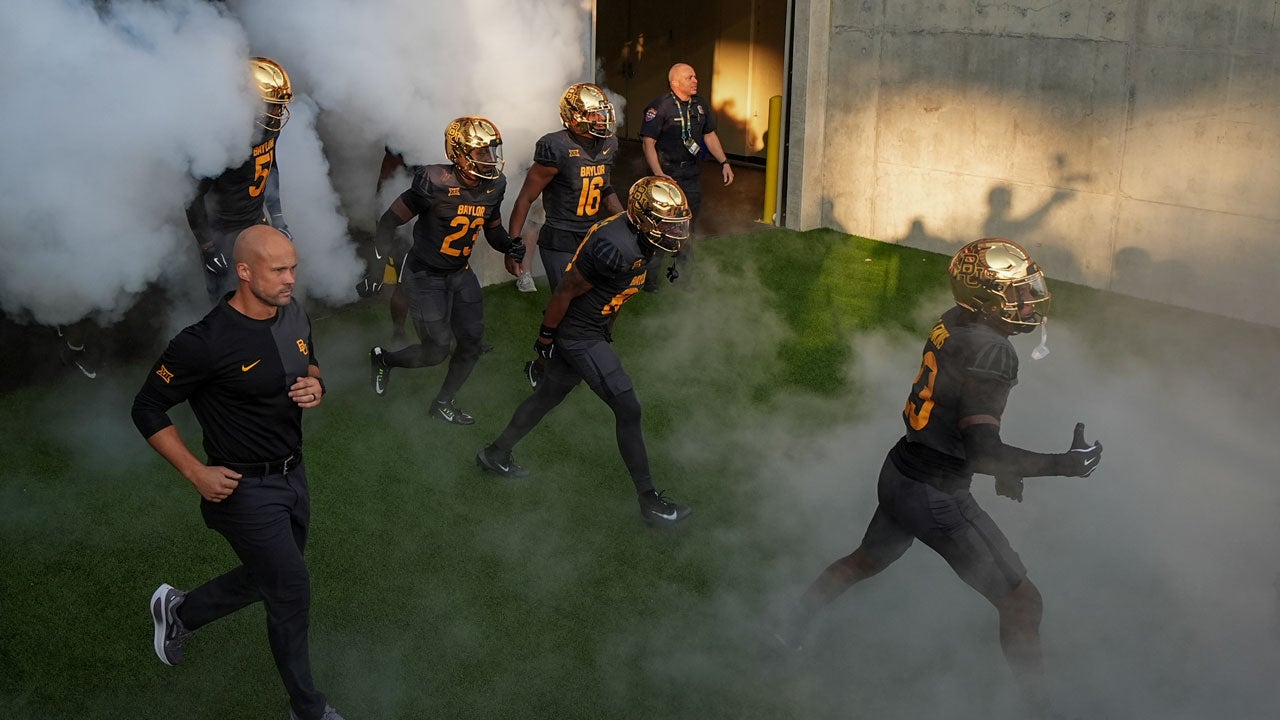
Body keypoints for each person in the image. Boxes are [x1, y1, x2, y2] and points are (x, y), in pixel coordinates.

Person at [772, 238, 1103, 711]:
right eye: (1017, 293)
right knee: (1023, 602)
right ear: (987, 299)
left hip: (902, 470)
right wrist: (1063, 465)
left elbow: (957, 415)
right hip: (936, 493)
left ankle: (787, 629)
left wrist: (1003, 470)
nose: (1029, 301)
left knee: (863, 560)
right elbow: (985, 451)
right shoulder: (994, 352)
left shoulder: (954, 318)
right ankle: (1043, 708)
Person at [131, 226, 346, 720]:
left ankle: (178, 612)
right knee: (290, 591)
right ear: (244, 272)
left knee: (266, 578)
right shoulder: (202, 343)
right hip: (243, 490)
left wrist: (317, 385)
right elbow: (147, 408)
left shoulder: (292, 311)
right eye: (279, 270)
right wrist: (195, 473)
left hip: (294, 473)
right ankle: (308, 710)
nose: (291, 279)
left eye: (294, 267)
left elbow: (308, 363)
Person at [475, 176, 694, 527]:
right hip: (578, 334)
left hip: (593, 330)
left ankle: (494, 453)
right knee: (628, 406)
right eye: (668, 225)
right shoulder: (614, 246)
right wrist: (546, 340)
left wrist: (608, 331)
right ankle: (649, 501)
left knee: (547, 397)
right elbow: (565, 291)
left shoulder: (643, 240)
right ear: (646, 220)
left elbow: (617, 294)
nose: (676, 233)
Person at [366, 116, 525, 424]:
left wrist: (509, 245)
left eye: (492, 151)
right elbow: (388, 222)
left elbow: (493, 231)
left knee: (472, 342)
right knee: (437, 350)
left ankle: (443, 401)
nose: (490, 159)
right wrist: (376, 269)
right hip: (425, 275)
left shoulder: (495, 184)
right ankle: (384, 358)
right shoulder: (433, 181)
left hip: (460, 272)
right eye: (481, 153)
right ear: (459, 154)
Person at [187, 57, 294, 304]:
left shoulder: (268, 125)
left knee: (267, 290)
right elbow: (191, 196)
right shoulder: (222, 136)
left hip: (256, 220)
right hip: (223, 230)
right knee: (227, 301)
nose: (279, 112)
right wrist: (208, 246)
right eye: (273, 105)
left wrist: (277, 216)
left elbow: (269, 165)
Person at [507, 82, 623, 294]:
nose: (600, 120)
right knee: (567, 302)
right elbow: (525, 198)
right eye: (593, 114)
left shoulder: (608, 143)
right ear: (573, 116)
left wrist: (626, 220)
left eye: (602, 113)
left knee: (593, 302)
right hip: (561, 238)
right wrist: (513, 245)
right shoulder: (556, 147)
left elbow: (605, 187)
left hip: (591, 234)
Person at [639, 62, 734, 292]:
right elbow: (647, 143)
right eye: (689, 77)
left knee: (687, 229)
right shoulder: (660, 106)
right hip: (667, 176)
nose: (695, 80)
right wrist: (659, 174)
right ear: (675, 83)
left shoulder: (699, 105)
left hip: (690, 174)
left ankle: (684, 280)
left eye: (695, 76)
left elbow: (709, 135)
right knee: (662, 228)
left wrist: (724, 162)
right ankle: (649, 281)